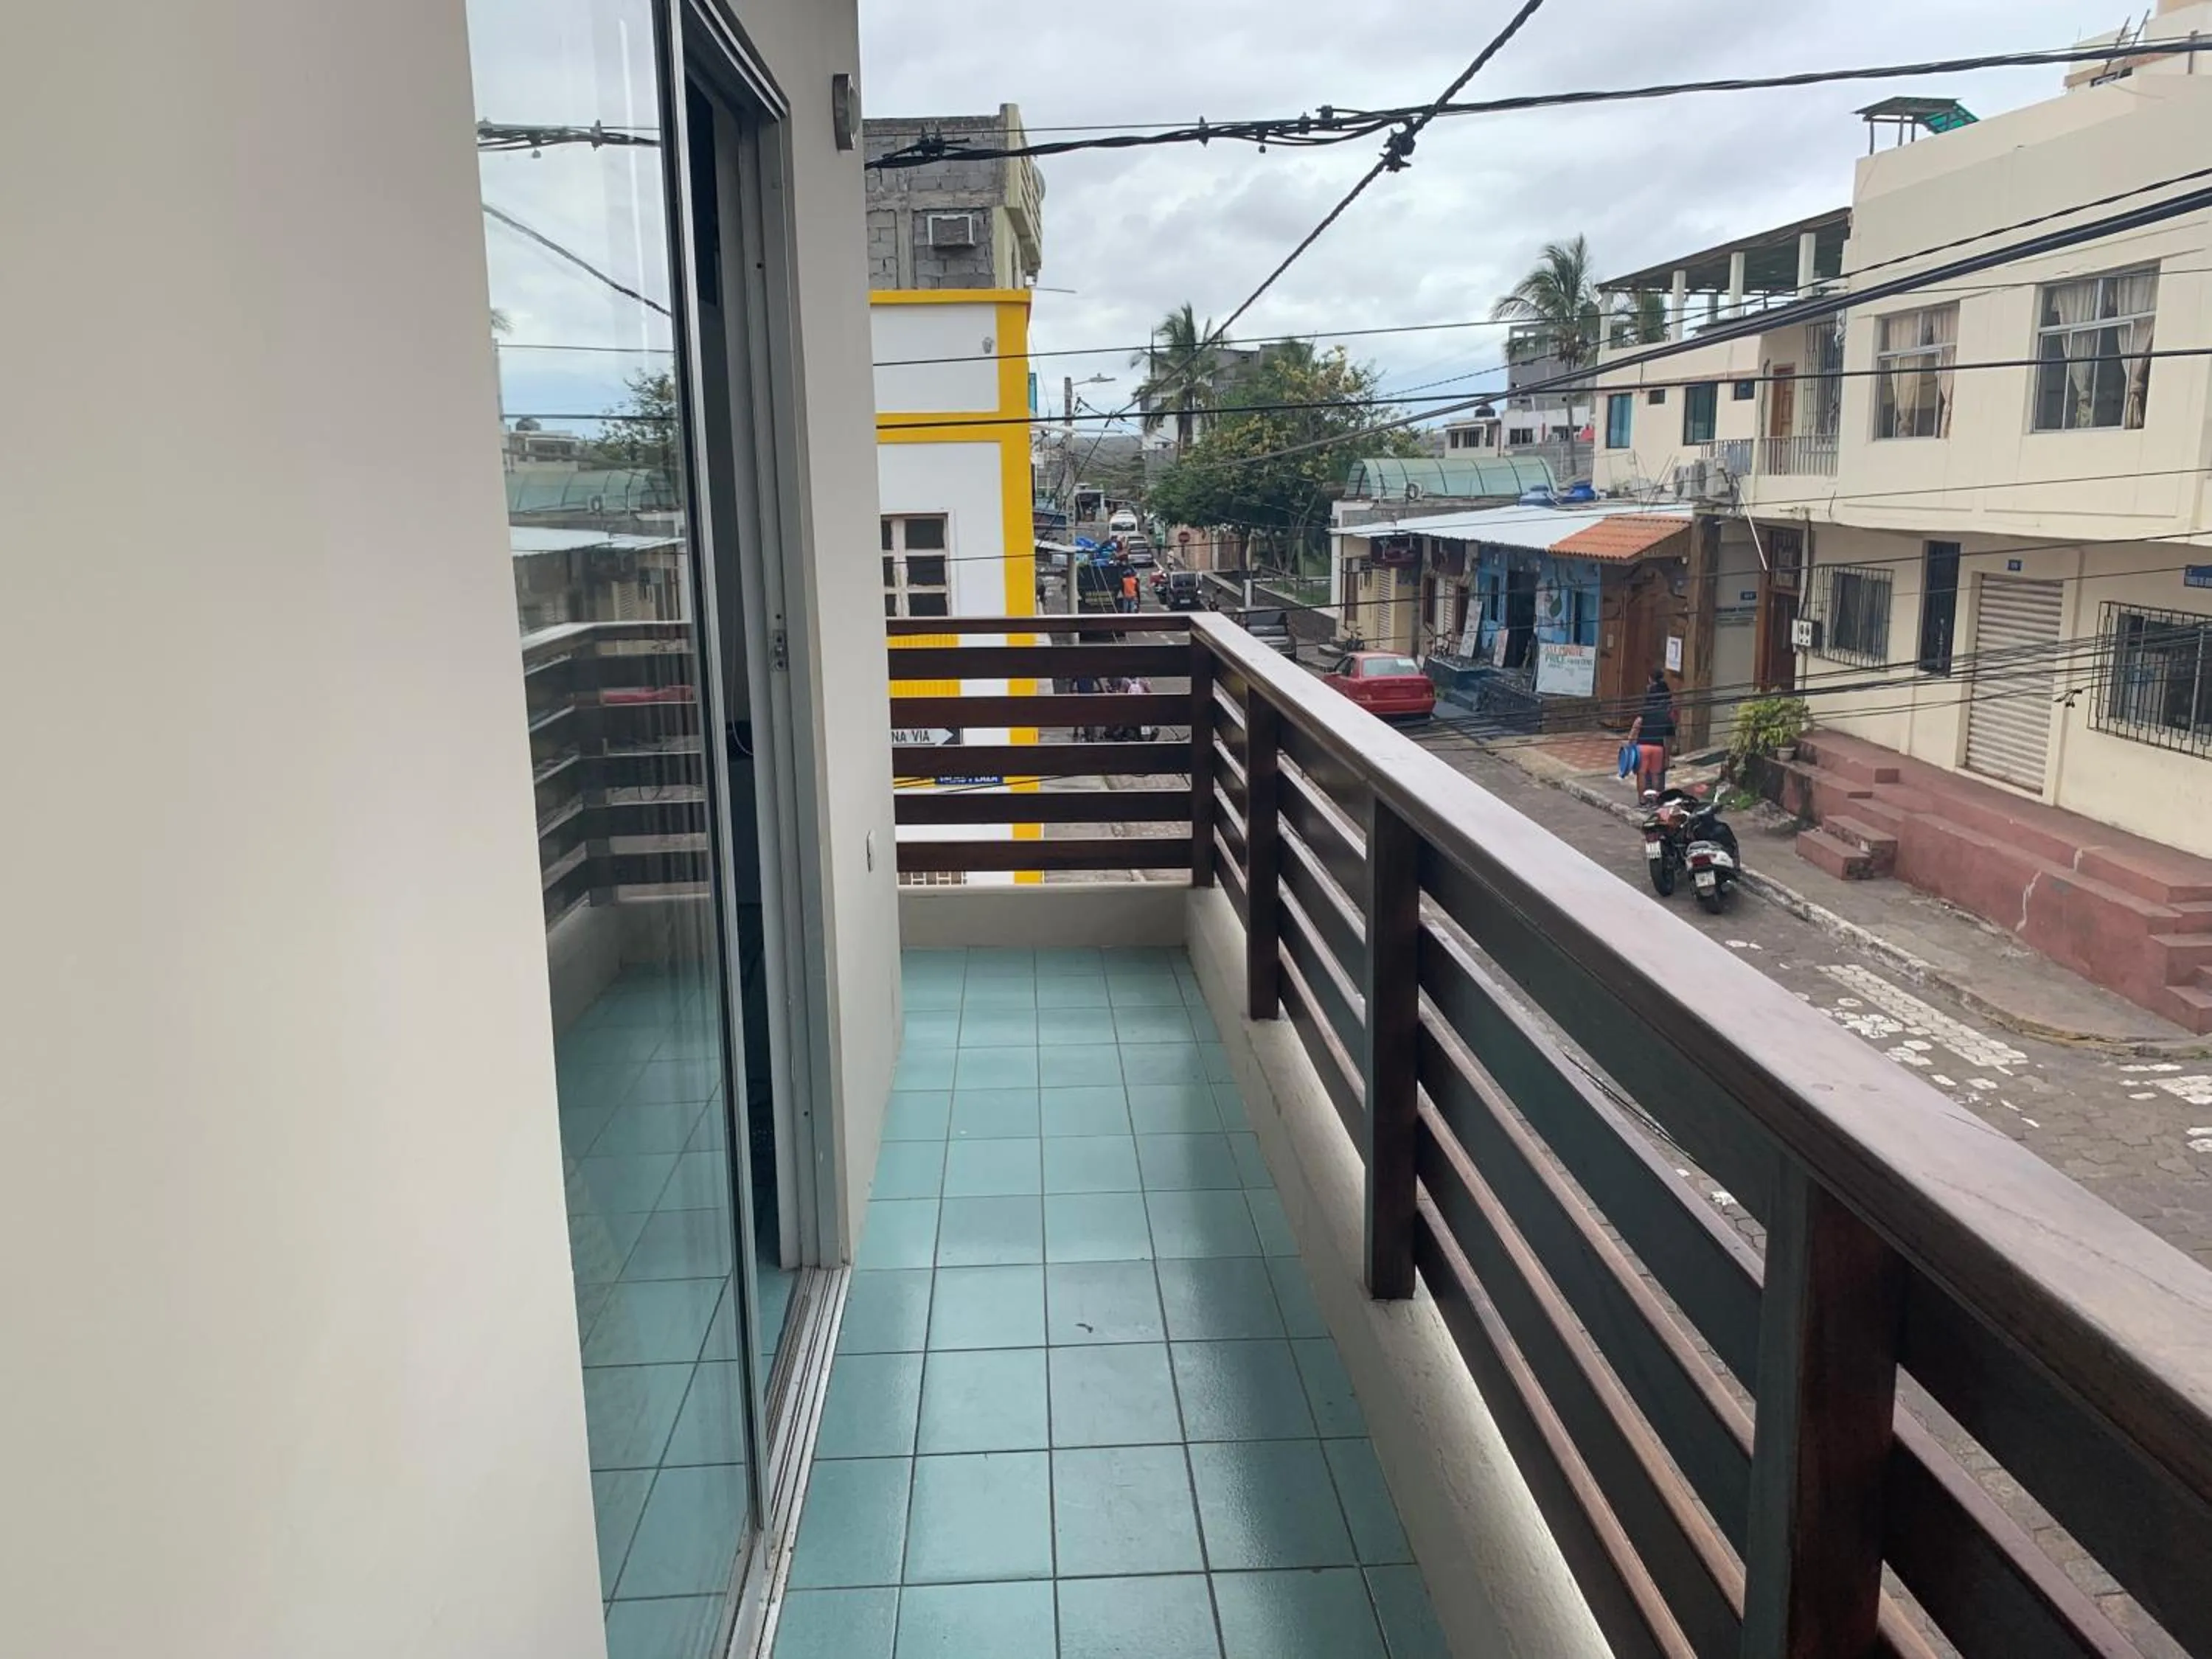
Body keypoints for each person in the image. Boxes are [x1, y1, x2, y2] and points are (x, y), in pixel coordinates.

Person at [1627, 667, 1676, 796]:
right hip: (1658, 748)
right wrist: (1667, 757)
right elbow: (1669, 739)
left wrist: (1630, 745)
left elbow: (1636, 726)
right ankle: (1655, 800)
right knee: (1656, 775)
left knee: (1641, 774)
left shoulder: (1645, 711)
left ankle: (1643, 801)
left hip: (1642, 747)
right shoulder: (1666, 715)